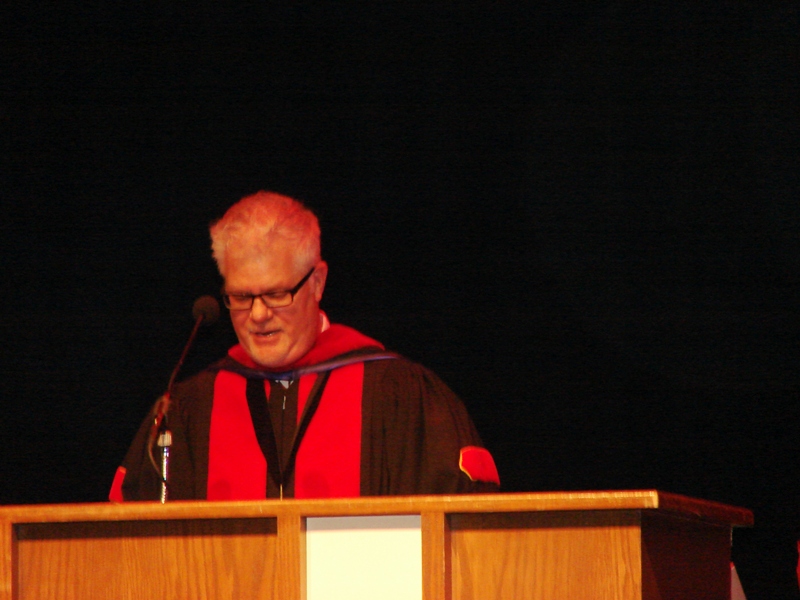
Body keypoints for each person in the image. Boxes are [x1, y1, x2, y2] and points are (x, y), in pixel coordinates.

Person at [110, 191, 499, 501]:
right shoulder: (189, 409)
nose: (258, 314)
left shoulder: (399, 397)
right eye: (241, 297)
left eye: (276, 294)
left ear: (317, 283)